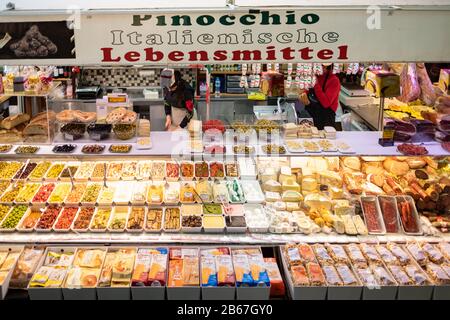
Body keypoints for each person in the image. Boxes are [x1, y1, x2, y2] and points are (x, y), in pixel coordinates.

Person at [299, 63, 341, 129]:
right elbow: (306, 90)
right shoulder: (314, 76)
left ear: (326, 67)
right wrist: (303, 95)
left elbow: (326, 103)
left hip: (325, 119)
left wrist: (315, 83)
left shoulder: (334, 80)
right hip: (310, 116)